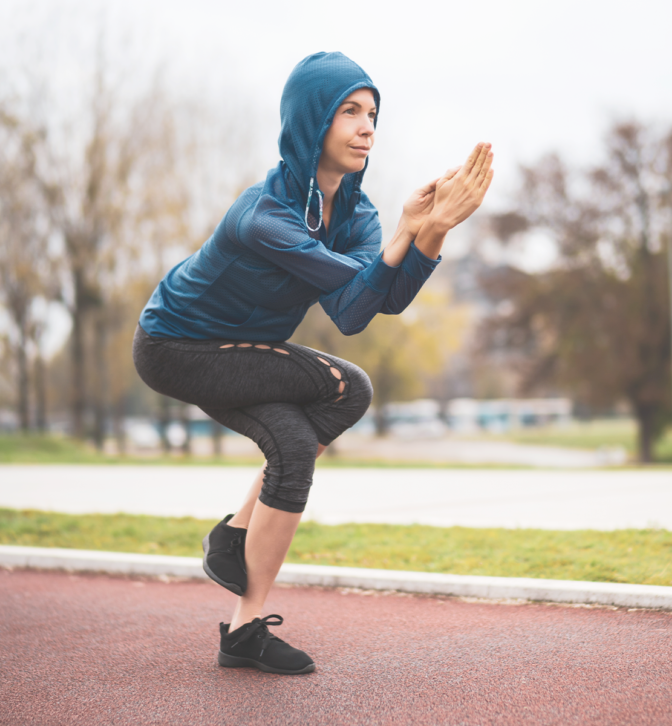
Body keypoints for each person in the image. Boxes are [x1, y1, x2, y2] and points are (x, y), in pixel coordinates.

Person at [132, 51, 493, 675]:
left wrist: (430, 229)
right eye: (349, 111)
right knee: (347, 386)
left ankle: (243, 629)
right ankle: (230, 538)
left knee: (296, 445)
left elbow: (371, 307)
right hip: (176, 347)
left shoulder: (356, 215)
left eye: (373, 113)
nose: (367, 127)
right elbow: (358, 297)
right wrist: (412, 232)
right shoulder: (264, 216)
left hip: (242, 354)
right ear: (310, 122)